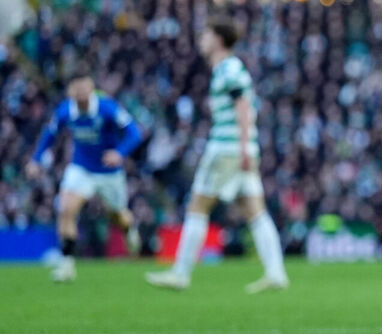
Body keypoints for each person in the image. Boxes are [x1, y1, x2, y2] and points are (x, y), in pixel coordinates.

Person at [146, 16, 288, 293]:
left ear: (218, 40)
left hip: (227, 148)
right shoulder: (228, 69)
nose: (202, 41)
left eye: (206, 35)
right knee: (254, 211)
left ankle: (181, 273)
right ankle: (276, 272)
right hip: (242, 148)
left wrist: (244, 147)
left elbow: (244, 106)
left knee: (197, 206)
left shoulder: (228, 68)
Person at [26, 70, 144, 282]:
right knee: (66, 208)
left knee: (117, 215)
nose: (81, 92)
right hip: (81, 168)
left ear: (91, 88)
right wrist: (36, 160)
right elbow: (49, 135)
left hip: (109, 173)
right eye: (76, 88)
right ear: (70, 90)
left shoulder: (107, 107)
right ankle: (67, 265)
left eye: (84, 87)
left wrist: (120, 153)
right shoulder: (65, 111)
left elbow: (134, 132)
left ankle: (129, 229)